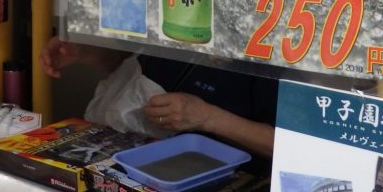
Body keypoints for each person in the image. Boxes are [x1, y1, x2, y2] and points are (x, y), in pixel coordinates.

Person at [40, 36, 277, 157]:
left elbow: (288, 146)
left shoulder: (271, 46)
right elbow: (123, 62)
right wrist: (83, 51)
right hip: (135, 156)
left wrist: (207, 117)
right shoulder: (174, 4)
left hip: (224, 178)